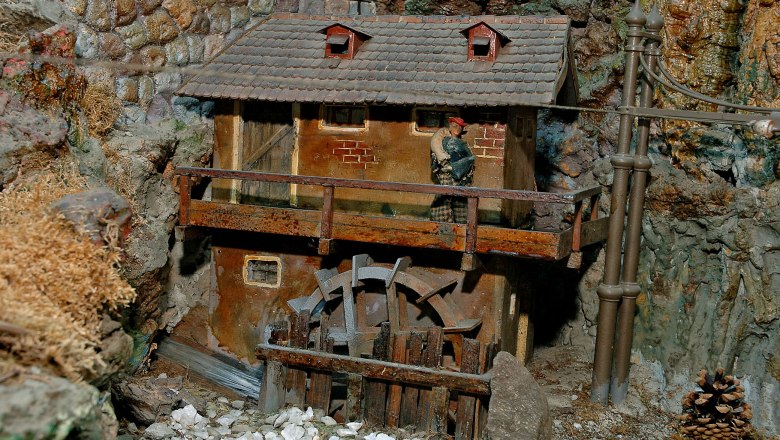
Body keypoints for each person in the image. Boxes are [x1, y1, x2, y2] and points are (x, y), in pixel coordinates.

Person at [430, 117, 475, 223]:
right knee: (444, 197)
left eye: (460, 127)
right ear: (450, 126)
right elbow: (435, 145)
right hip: (446, 174)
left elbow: (469, 159)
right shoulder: (443, 138)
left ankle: (462, 225)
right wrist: (443, 161)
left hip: (461, 176)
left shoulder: (463, 144)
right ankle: (441, 224)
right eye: (455, 126)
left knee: (461, 200)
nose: (457, 128)